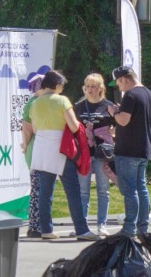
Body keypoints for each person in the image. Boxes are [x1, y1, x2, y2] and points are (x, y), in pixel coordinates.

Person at [28, 70, 98, 241]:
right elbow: (74, 126)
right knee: (73, 191)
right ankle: (82, 230)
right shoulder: (62, 100)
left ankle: (46, 230)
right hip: (60, 148)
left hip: (41, 148)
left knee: (45, 192)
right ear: (58, 85)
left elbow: (34, 128)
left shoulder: (35, 103)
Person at [107, 66, 151, 237]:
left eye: (118, 83)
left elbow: (123, 120)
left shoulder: (130, 95)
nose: (119, 87)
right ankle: (143, 228)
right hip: (144, 148)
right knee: (141, 189)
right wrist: (121, 111)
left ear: (124, 79)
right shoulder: (150, 94)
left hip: (128, 150)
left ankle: (129, 228)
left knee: (130, 190)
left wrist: (114, 112)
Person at [74, 73, 116, 237]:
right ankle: (82, 226)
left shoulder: (108, 106)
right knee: (83, 191)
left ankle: (102, 225)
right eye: (88, 86)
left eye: (94, 86)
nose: (90, 90)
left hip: (102, 153)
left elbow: (118, 126)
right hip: (84, 153)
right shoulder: (79, 106)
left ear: (101, 88)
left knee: (103, 190)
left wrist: (111, 133)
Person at [20, 74, 46, 238]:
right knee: (38, 188)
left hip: (37, 148)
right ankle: (35, 225)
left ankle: (38, 224)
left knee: (40, 188)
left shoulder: (36, 102)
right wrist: (25, 145)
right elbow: (26, 128)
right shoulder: (34, 103)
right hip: (36, 148)